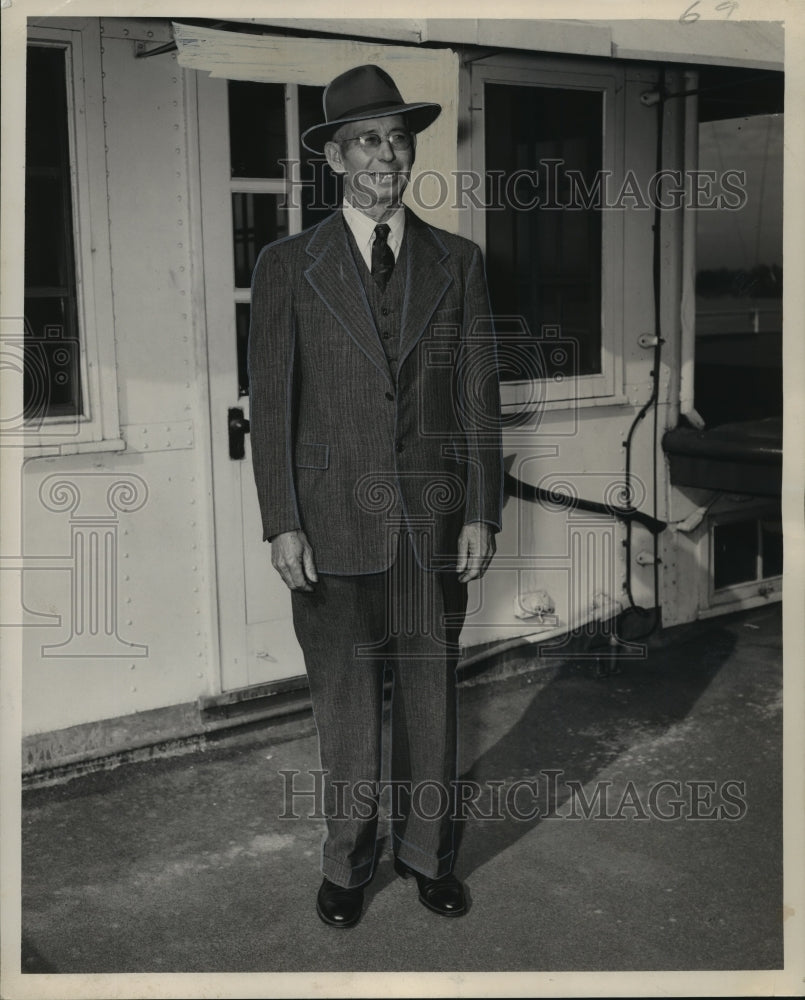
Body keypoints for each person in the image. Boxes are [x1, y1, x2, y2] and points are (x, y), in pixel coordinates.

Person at [248, 64, 502, 927]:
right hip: (328, 525)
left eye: (398, 138)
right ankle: (348, 867)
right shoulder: (287, 265)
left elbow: (476, 393)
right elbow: (272, 404)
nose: (385, 155)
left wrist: (480, 509)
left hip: (431, 523)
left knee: (430, 703)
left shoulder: (457, 261)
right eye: (366, 140)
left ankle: (429, 856)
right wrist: (281, 521)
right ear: (334, 158)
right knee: (345, 709)